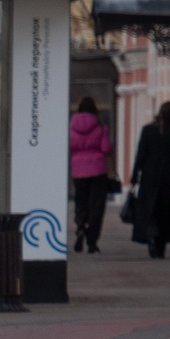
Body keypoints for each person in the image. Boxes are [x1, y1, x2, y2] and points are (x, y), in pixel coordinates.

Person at [128, 101, 170, 259]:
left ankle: (151, 234)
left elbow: (141, 155)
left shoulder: (148, 130)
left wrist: (134, 176)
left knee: (151, 208)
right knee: (165, 212)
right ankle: (160, 244)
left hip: (149, 177)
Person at [69, 96, 114, 255]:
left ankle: (81, 226)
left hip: (78, 170)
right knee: (97, 205)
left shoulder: (72, 125)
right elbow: (106, 149)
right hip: (97, 170)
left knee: (81, 201)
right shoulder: (100, 126)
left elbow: (70, 145)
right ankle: (92, 241)